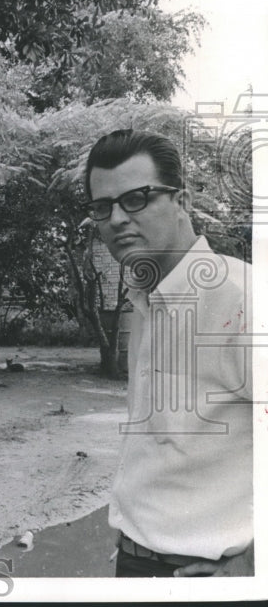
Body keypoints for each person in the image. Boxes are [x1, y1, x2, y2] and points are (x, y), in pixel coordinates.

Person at [85, 129, 253, 577]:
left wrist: (254, 564)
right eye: (103, 206)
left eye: (137, 198)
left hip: (207, 575)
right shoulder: (145, 301)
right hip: (136, 562)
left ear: (182, 199)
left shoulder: (242, 300)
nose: (117, 218)